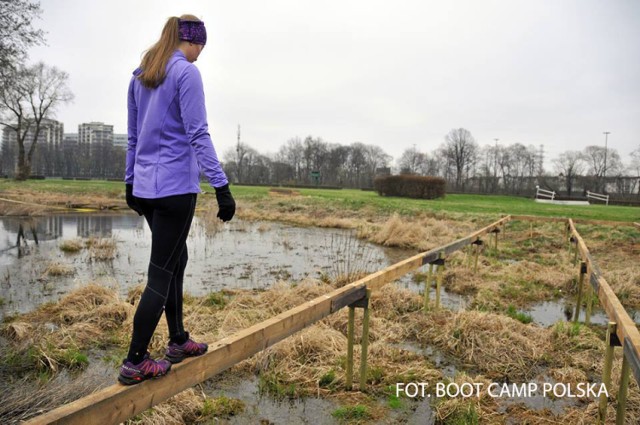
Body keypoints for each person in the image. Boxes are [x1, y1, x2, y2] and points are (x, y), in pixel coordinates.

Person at [119, 14, 235, 385]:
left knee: (176, 258)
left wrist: (129, 182)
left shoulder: (141, 75)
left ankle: (178, 340)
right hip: (175, 189)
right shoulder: (186, 72)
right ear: (195, 43)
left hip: (146, 191)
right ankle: (135, 360)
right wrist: (221, 185)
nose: (200, 54)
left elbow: (133, 137)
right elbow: (198, 132)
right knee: (161, 272)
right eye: (202, 47)